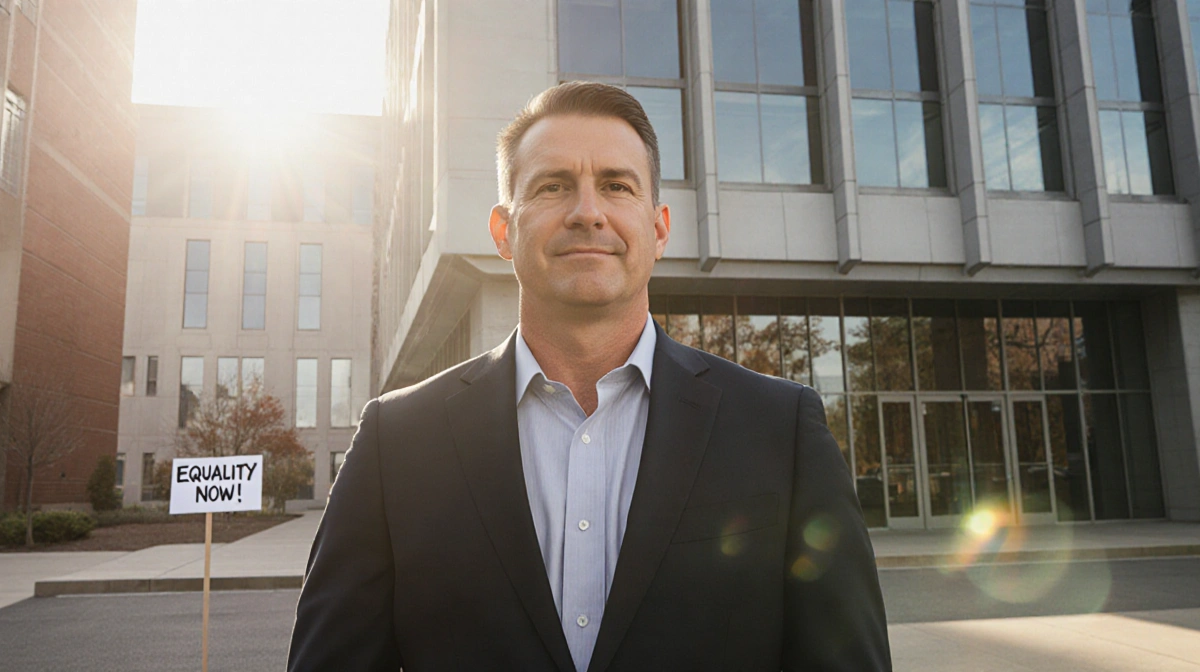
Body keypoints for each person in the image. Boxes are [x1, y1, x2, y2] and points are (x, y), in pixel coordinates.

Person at [287, 81, 891, 672]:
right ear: (504, 230)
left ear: (658, 229)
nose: (587, 212)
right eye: (553, 186)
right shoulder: (397, 440)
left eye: (616, 186)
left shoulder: (778, 429)